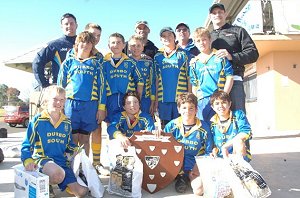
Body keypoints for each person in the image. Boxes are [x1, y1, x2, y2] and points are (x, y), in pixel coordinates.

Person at [21, 85, 88, 197]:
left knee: (82, 192)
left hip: (61, 161)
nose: (58, 103)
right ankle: (46, 183)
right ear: (47, 100)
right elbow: (26, 145)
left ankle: (65, 184)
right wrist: (27, 160)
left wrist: (76, 149)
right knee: (57, 175)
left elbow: (69, 145)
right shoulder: (37, 120)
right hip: (43, 160)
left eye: (62, 100)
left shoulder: (67, 122)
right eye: (55, 99)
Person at [57, 31, 106, 158]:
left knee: (84, 139)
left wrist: (101, 108)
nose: (86, 45)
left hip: (90, 105)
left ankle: (83, 169)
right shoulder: (68, 62)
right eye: (83, 42)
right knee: (72, 138)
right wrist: (60, 106)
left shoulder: (96, 63)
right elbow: (60, 86)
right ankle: (72, 167)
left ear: (92, 46)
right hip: (71, 104)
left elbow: (102, 87)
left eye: (89, 42)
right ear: (77, 44)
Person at [209, 3, 259, 113]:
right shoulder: (207, 37)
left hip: (235, 81)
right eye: (214, 13)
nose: (217, 15)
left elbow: (253, 53)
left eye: (220, 12)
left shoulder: (238, 31)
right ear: (210, 16)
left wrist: (232, 56)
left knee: (238, 116)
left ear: (225, 14)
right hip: (213, 84)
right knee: (214, 121)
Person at [164, 92, 213, 195]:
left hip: (194, 166)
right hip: (176, 165)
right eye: (184, 108)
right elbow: (163, 145)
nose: (187, 111)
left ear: (196, 110)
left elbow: (209, 151)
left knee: (199, 190)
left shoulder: (204, 128)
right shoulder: (171, 125)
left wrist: (198, 166)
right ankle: (180, 177)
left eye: (191, 108)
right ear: (178, 109)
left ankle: (187, 177)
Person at [189, 27, 233, 121]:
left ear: (210, 40)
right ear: (195, 43)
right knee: (204, 129)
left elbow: (229, 77)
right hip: (202, 101)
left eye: (204, 39)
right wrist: (196, 100)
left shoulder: (220, 56)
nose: (201, 43)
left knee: (219, 128)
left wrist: (224, 95)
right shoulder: (194, 63)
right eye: (198, 40)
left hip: (218, 99)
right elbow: (194, 85)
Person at [84, 23, 109, 176]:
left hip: (95, 101)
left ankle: (96, 163)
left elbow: (102, 83)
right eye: (92, 34)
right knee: (79, 135)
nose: (95, 38)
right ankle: (81, 164)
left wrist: (102, 105)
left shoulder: (100, 56)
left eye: (98, 35)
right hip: (77, 103)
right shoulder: (74, 52)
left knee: (97, 130)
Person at [102, 32, 144, 123]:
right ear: (108, 45)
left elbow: (140, 80)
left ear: (124, 45)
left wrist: (137, 98)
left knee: (127, 123)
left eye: (118, 42)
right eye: (113, 42)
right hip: (110, 99)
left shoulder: (130, 62)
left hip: (126, 99)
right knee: (111, 124)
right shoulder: (103, 63)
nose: (116, 45)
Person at [154, 27, 190, 129]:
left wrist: (190, 97)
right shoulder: (157, 57)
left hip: (180, 100)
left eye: (169, 35)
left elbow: (189, 78)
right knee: (166, 129)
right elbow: (156, 79)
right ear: (161, 40)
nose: (167, 38)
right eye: (164, 36)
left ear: (174, 37)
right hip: (163, 100)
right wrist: (156, 100)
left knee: (181, 128)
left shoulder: (184, 54)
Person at [32, 13, 78, 88]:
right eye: (66, 24)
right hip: (61, 90)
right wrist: (44, 84)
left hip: (80, 91)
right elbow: (37, 63)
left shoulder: (85, 44)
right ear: (61, 27)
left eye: (72, 23)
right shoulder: (54, 45)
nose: (69, 26)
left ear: (76, 25)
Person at [210, 90, 252, 162]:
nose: (220, 106)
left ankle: (240, 169)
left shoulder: (238, 115)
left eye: (224, 102)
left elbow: (246, 132)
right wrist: (214, 150)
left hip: (238, 154)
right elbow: (214, 144)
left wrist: (225, 146)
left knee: (238, 141)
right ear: (212, 107)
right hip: (221, 157)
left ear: (229, 104)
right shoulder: (212, 122)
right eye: (217, 103)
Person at [128, 35, 156, 115]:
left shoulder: (149, 63)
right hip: (130, 99)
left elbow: (152, 83)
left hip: (146, 100)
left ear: (143, 47)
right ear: (129, 47)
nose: (136, 48)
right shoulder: (125, 62)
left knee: (145, 122)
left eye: (138, 46)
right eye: (133, 46)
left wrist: (153, 101)